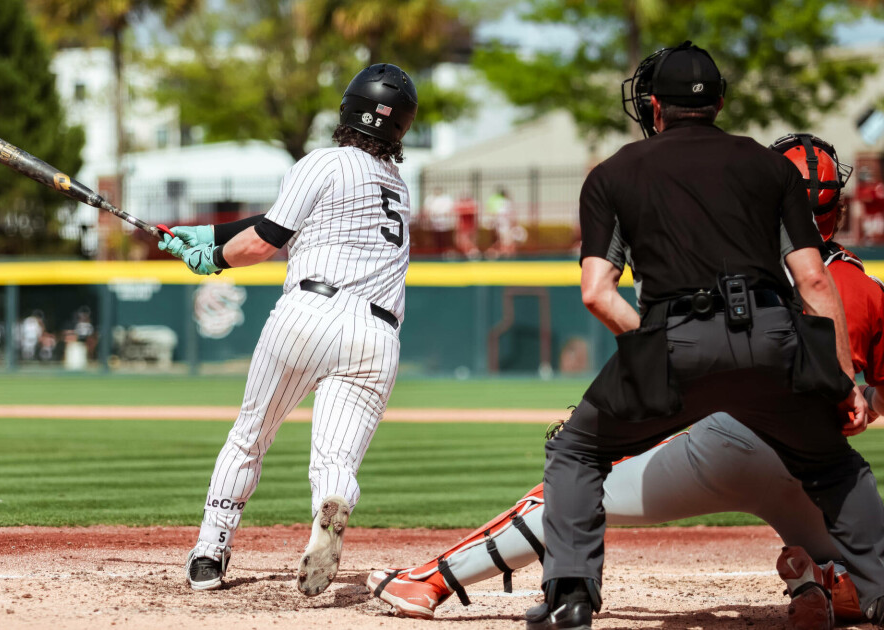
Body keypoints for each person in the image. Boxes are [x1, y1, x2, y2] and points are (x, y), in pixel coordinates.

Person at [367, 133, 877, 627]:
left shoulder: (732, 262)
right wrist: (857, 399)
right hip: (813, 461)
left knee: (573, 478)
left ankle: (432, 581)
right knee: (864, 550)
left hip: (724, 446)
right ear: (839, 208)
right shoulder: (866, 286)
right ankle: (825, 581)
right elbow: (868, 391)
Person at [523, 41, 884, 630]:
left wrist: (655, 345)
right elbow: (815, 281)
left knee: (576, 451)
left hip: (676, 336)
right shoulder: (770, 167)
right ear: (719, 103)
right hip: (772, 338)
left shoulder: (613, 173)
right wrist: (842, 381)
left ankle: (571, 596)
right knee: (835, 465)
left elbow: (596, 293)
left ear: (655, 107)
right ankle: (880, 590)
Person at [157, 63, 417, 596]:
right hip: (376, 337)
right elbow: (283, 219)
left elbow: (265, 240)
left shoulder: (322, 161)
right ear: (401, 126)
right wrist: (208, 233)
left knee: (250, 436)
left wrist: (214, 259)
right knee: (335, 461)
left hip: (308, 315)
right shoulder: (397, 186)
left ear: (347, 109)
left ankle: (210, 550)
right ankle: (331, 503)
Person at [421, 188, 456, 257]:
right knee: (436, 240)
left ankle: (446, 253)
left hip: (445, 225)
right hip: (434, 225)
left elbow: (450, 210)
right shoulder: (430, 199)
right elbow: (426, 210)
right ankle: (437, 254)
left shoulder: (446, 199)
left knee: (446, 240)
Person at [485, 187, 516, 258]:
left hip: (502, 226)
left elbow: (495, 214)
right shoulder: (506, 203)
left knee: (505, 241)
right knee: (506, 242)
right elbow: (510, 215)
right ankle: (505, 254)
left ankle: (503, 253)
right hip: (504, 226)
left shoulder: (500, 203)